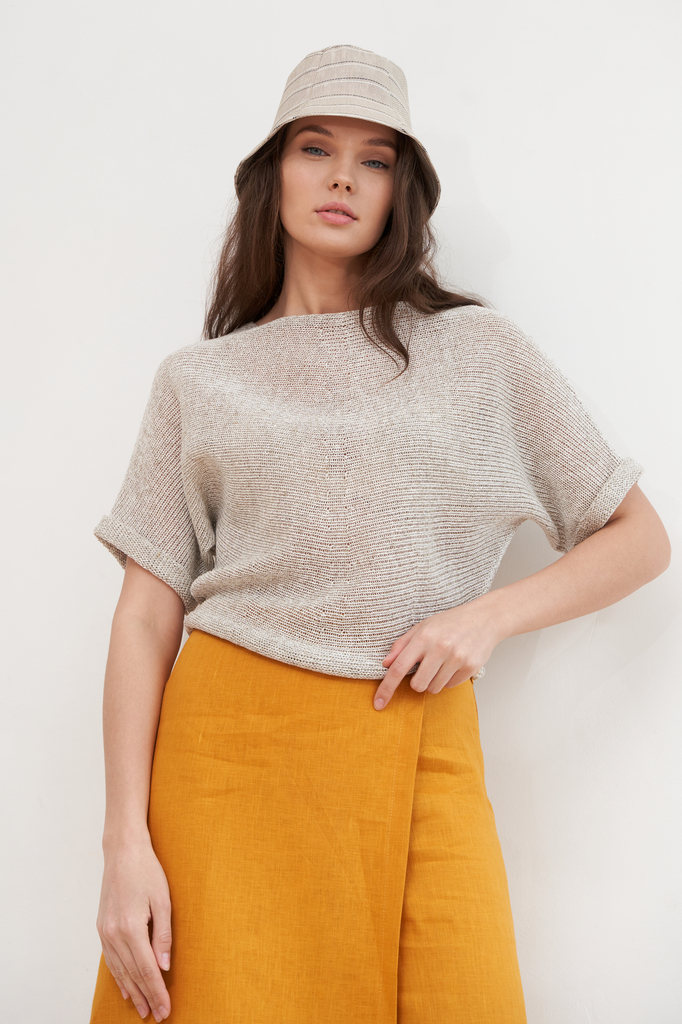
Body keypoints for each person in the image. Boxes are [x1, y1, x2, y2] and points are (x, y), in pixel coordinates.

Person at [88, 43, 670, 1024]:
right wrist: (122, 845)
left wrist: (486, 618)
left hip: (417, 737)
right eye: (316, 148)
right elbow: (146, 616)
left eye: (376, 159)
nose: (343, 178)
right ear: (273, 174)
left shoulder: (477, 351)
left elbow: (638, 537)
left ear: (403, 191)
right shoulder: (200, 380)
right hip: (229, 763)